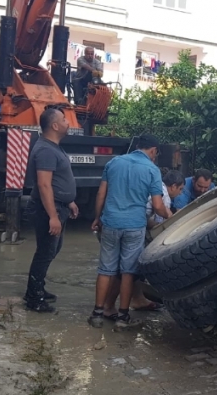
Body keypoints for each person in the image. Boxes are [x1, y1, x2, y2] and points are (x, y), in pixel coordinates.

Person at [89, 134, 170, 329]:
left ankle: (98, 313)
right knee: (128, 271)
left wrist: (97, 218)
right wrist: (172, 216)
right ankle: (123, 316)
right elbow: (158, 205)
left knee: (106, 269)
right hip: (134, 226)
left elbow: (101, 194)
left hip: (110, 222)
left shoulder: (114, 162)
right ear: (153, 151)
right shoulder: (152, 169)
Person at [23, 108, 79, 312]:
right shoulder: (46, 150)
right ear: (55, 126)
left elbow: (55, 182)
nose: (68, 123)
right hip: (48, 209)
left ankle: (38, 288)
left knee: (52, 249)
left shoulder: (53, 147)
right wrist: (53, 217)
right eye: (64, 120)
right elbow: (44, 185)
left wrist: (69, 201)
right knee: (45, 252)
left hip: (59, 206)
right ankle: (34, 298)